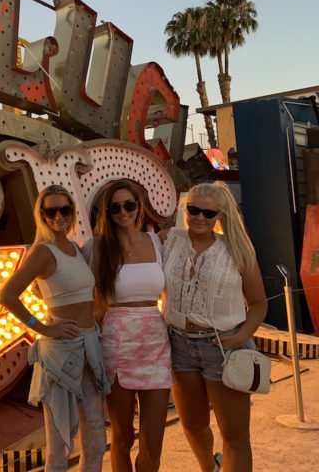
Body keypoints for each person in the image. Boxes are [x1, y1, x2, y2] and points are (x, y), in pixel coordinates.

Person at [0, 185, 109, 472]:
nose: (58, 216)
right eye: (51, 211)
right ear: (42, 215)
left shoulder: (73, 248)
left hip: (89, 347)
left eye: (64, 209)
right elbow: (7, 295)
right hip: (62, 353)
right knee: (59, 445)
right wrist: (45, 330)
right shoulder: (42, 251)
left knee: (96, 442)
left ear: (72, 212)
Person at [160, 181, 267, 472]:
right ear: (186, 208)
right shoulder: (168, 240)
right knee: (193, 426)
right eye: (193, 210)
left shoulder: (236, 249)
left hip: (223, 346)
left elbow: (258, 303)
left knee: (234, 435)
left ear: (220, 216)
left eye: (209, 213)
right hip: (179, 345)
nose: (200, 218)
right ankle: (210, 468)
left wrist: (241, 337)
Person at [90, 180, 171, 472]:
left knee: (153, 446)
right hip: (117, 345)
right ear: (108, 212)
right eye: (115, 207)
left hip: (155, 345)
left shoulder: (156, 241)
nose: (123, 212)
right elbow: (67, 280)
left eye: (129, 205)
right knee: (123, 438)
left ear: (139, 208)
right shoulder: (99, 247)